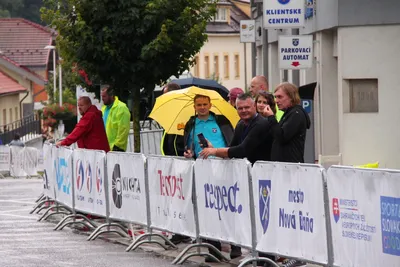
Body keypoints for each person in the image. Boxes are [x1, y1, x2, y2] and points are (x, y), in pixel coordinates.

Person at [200, 93, 272, 163]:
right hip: (244, 170)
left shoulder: (261, 123)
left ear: (254, 106)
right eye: (240, 108)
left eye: (247, 107)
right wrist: (212, 148)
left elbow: (242, 150)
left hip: (262, 171)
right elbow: (232, 148)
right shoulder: (240, 123)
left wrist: (215, 151)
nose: (244, 111)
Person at [263, 82, 311, 163]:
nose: (277, 101)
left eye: (280, 97)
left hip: (290, 166)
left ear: (291, 97)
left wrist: (271, 117)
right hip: (283, 165)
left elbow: (282, 136)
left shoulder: (296, 114)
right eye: (275, 97)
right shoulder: (289, 113)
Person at [183, 94, 234, 159]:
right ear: (194, 107)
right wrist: (189, 153)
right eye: (199, 105)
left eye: (205, 104)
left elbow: (231, 142)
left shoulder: (222, 121)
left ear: (210, 105)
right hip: (201, 164)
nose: (202, 107)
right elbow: (190, 148)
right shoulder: (190, 124)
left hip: (223, 163)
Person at [100, 85, 131, 152]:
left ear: (111, 95)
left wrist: (117, 146)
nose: (102, 98)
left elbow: (123, 129)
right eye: (101, 96)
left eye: (104, 96)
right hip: (105, 148)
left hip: (116, 149)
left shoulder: (121, 108)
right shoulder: (103, 109)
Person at [160, 82, 185, 156]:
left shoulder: (182, 112)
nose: (163, 98)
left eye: (165, 95)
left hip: (180, 158)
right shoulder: (169, 112)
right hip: (170, 158)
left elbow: (180, 140)